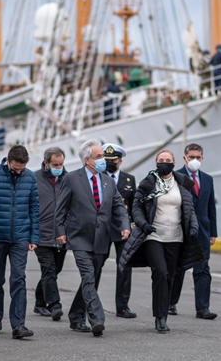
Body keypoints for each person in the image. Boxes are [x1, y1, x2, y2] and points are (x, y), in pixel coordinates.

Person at [118, 149, 204, 332]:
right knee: (160, 272)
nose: (164, 162)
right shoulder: (148, 183)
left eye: (168, 160)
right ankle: (160, 317)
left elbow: (189, 209)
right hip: (153, 235)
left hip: (176, 238)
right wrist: (143, 224)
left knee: (170, 276)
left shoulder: (182, 183)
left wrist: (194, 226)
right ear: (156, 163)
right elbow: (137, 207)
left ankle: (164, 313)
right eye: (161, 160)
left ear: (174, 163)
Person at [54, 139, 130, 337]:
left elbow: (118, 207)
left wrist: (124, 225)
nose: (103, 160)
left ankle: (75, 316)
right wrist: (60, 232)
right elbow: (60, 209)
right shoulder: (71, 178)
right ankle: (97, 319)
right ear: (88, 160)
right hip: (79, 237)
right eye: (99, 156)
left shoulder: (108, 181)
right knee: (88, 277)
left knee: (91, 280)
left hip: (101, 238)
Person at [0, 145, 40, 339]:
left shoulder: (30, 177)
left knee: (19, 279)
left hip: (20, 237)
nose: (20, 172)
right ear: (8, 160)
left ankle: (18, 325)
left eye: (23, 168)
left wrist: (33, 237)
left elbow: (34, 209)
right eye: (16, 168)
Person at [169, 143, 218, 319]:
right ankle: (170, 303)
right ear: (185, 158)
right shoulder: (176, 177)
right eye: (191, 157)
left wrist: (213, 232)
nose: (195, 160)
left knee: (203, 269)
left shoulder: (207, 179)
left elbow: (211, 207)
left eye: (198, 157)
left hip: (203, 231)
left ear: (202, 159)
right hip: (180, 229)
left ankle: (202, 308)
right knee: (177, 268)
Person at [101, 143, 137, 319]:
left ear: (120, 161)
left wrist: (133, 227)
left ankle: (122, 306)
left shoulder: (129, 179)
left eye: (113, 160)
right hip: (103, 228)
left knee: (124, 267)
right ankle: (88, 302)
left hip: (123, 229)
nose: (109, 163)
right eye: (106, 160)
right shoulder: (98, 177)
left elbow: (133, 206)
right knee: (96, 266)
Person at [33, 147, 68, 321]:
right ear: (46, 163)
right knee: (49, 269)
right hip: (41, 233)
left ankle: (39, 302)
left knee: (55, 270)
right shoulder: (34, 178)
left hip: (61, 235)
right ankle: (55, 305)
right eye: (55, 164)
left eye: (61, 164)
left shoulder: (68, 179)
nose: (59, 167)